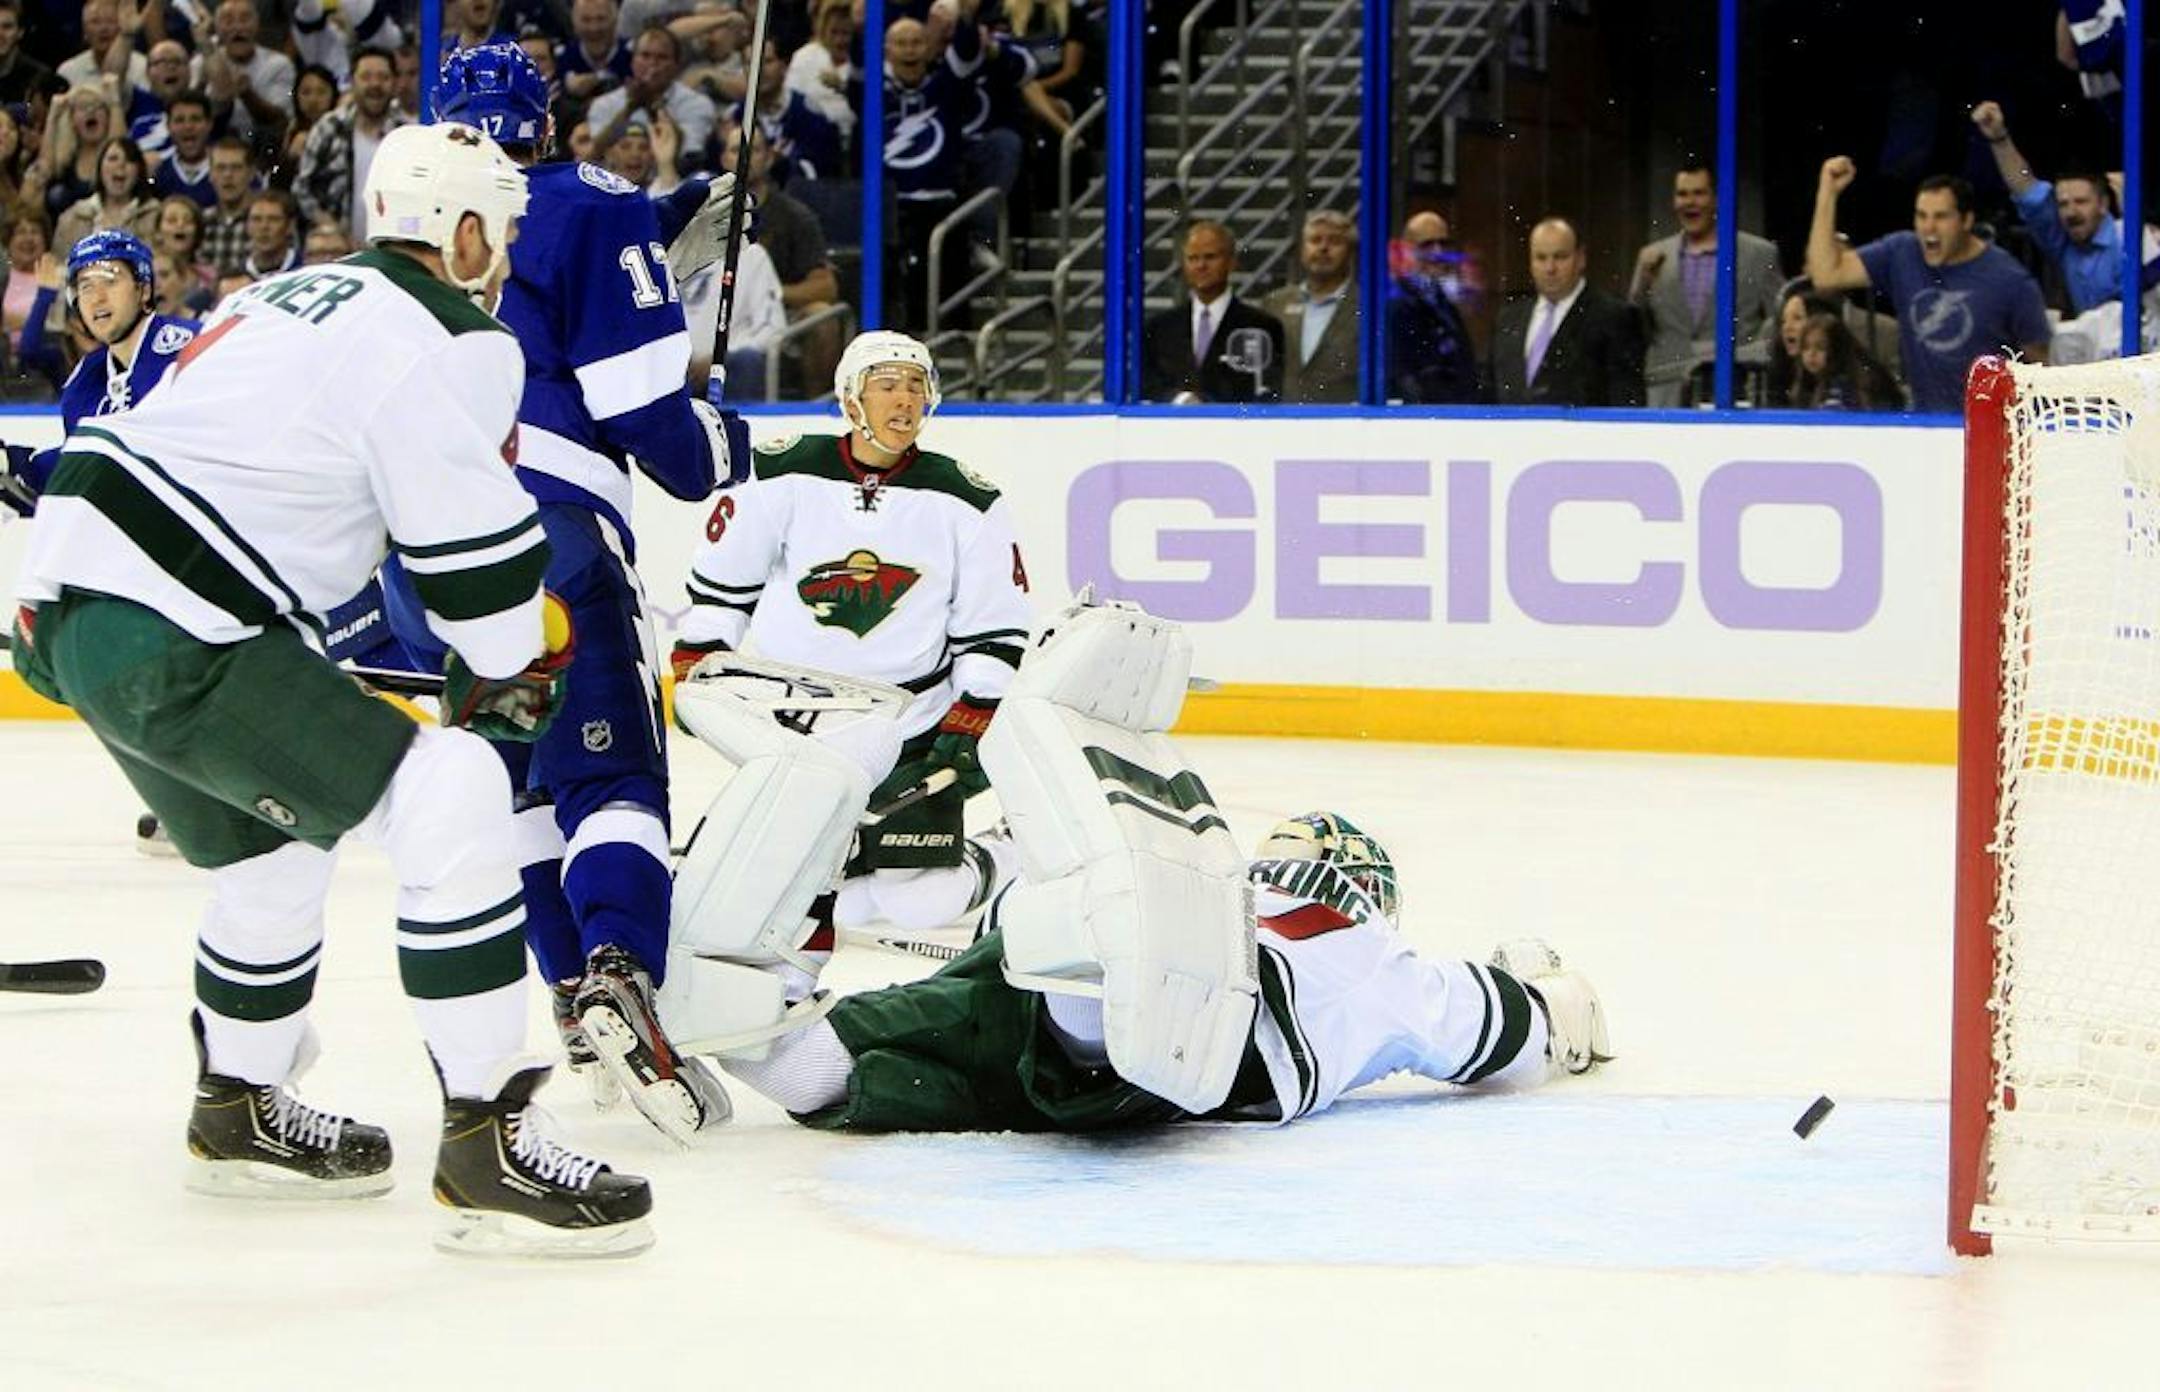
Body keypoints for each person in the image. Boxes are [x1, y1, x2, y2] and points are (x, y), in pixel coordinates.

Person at [7, 122, 655, 1256]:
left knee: (278, 852)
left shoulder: (284, 292)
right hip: (181, 619)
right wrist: (516, 655)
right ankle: (488, 1134)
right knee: (451, 783)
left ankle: (238, 1106)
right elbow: (481, 582)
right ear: (458, 232)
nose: (499, 254)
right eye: (495, 232)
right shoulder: (455, 335)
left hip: (64, 607)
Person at [660, 598, 1611, 1136]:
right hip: (1194, 1025)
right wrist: (1555, 994)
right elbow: (1512, 1027)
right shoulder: (1366, 949)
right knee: (1100, 986)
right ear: (1369, 889)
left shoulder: (1237, 880)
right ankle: (1073, 909)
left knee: (813, 1068)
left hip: (1051, 983)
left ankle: (740, 971)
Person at [427, 43, 751, 1146]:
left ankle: (575, 994)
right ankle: (623, 975)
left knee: (522, 787)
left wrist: (654, 229)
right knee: (611, 775)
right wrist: (719, 444)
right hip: (553, 538)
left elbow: (518, 271)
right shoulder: (593, 199)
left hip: (431, 559)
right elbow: (645, 416)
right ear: (548, 110)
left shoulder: (411, 233)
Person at [668, 331, 1033, 980]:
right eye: (888, 384)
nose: (906, 400)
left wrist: (971, 717)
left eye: (917, 385)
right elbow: (726, 582)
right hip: (794, 727)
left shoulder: (966, 498)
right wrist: (701, 660)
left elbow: (993, 627)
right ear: (850, 398)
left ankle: (1003, 853)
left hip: (908, 731)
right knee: (782, 884)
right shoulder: (781, 469)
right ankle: (834, 900)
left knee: (922, 901)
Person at [1804, 159, 2050, 415]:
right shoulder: (1901, 253)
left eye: (1941, 217)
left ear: (1966, 221)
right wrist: (1827, 193)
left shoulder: (2010, 280)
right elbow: (1825, 275)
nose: (1928, 228)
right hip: (1926, 428)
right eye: (1921, 216)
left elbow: (2039, 365)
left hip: (1991, 432)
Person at [1629, 163, 1784, 407]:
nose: (1690, 202)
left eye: (1699, 193)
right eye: (1682, 194)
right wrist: (1643, 286)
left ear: (1716, 199)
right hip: (1666, 393)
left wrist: (1753, 353)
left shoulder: (1759, 254)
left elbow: (1781, 319)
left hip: (1733, 391)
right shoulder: (1652, 257)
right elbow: (1635, 328)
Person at [1969, 101, 2124, 319]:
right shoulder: (2064, 242)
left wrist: (2137, 225)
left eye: (2081, 202)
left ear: (2103, 204)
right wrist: (1999, 140)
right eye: (2063, 204)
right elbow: (2028, 193)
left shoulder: (2128, 238)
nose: (2071, 212)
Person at [1487, 216, 1643, 408]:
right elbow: (1490, 393)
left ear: (1581, 258)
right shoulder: (1508, 319)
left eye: (1560, 257)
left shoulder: (1614, 316)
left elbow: (1625, 399)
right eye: (1541, 258)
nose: (1550, 268)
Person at [1140, 220, 1285, 403]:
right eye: (1193, 258)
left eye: (1209, 257)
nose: (1201, 265)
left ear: (1232, 262)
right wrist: (1181, 399)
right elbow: (1147, 384)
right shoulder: (1159, 327)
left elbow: (1269, 392)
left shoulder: (1262, 326)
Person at [294, 48, 408, 242]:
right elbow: (302, 188)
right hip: (335, 252)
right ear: (352, 83)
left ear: (395, 83)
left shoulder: (405, 135)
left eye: (383, 77)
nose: (375, 85)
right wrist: (332, 229)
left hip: (392, 251)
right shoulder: (328, 128)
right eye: (366, 77)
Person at [586, 24, 717, 170]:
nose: (652, 64)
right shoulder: (604, 104)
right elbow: (596, 153)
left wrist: (654, 105)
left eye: (662, 57)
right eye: (645, 56)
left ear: (676, 65)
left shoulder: (697, 104)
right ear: (633, 61)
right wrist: (630, 107)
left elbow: (687, 154)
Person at [1260, 208, 1358, 404]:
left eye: (1335, 241)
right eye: (1315, 240)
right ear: (1303, 250)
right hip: (1283, 424)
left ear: (1350, 251)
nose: (1323, 248)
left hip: (1345, 426)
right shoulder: (1275, 303)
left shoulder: (1369, 307)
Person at [1386, 209, 1478, 404]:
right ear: (1407, 249)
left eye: (1443, 244)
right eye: (1427, 245)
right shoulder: (1396, 303)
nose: (1438, 252)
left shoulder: (1443, 301)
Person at [53, 135, 159, 250]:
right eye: (113, 158)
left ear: (139, 171)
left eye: (129, 160)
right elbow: (59, 264)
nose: (121, 165)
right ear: (100, 168)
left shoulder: (155, 216)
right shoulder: (73, 218)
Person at [1791, 311, 1901, 412]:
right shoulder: (1808, 382)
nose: (1811, 354)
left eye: (1821, 347)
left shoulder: (1848, 386)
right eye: (1805, 347)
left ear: (1836, 349)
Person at [148, 90, 216, 206]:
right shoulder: (157, 170)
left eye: (195, 119)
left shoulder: (228, 166)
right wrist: (146, 179)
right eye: (179, 120)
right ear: (168, 126)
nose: (188, 126)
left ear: (209, 124)